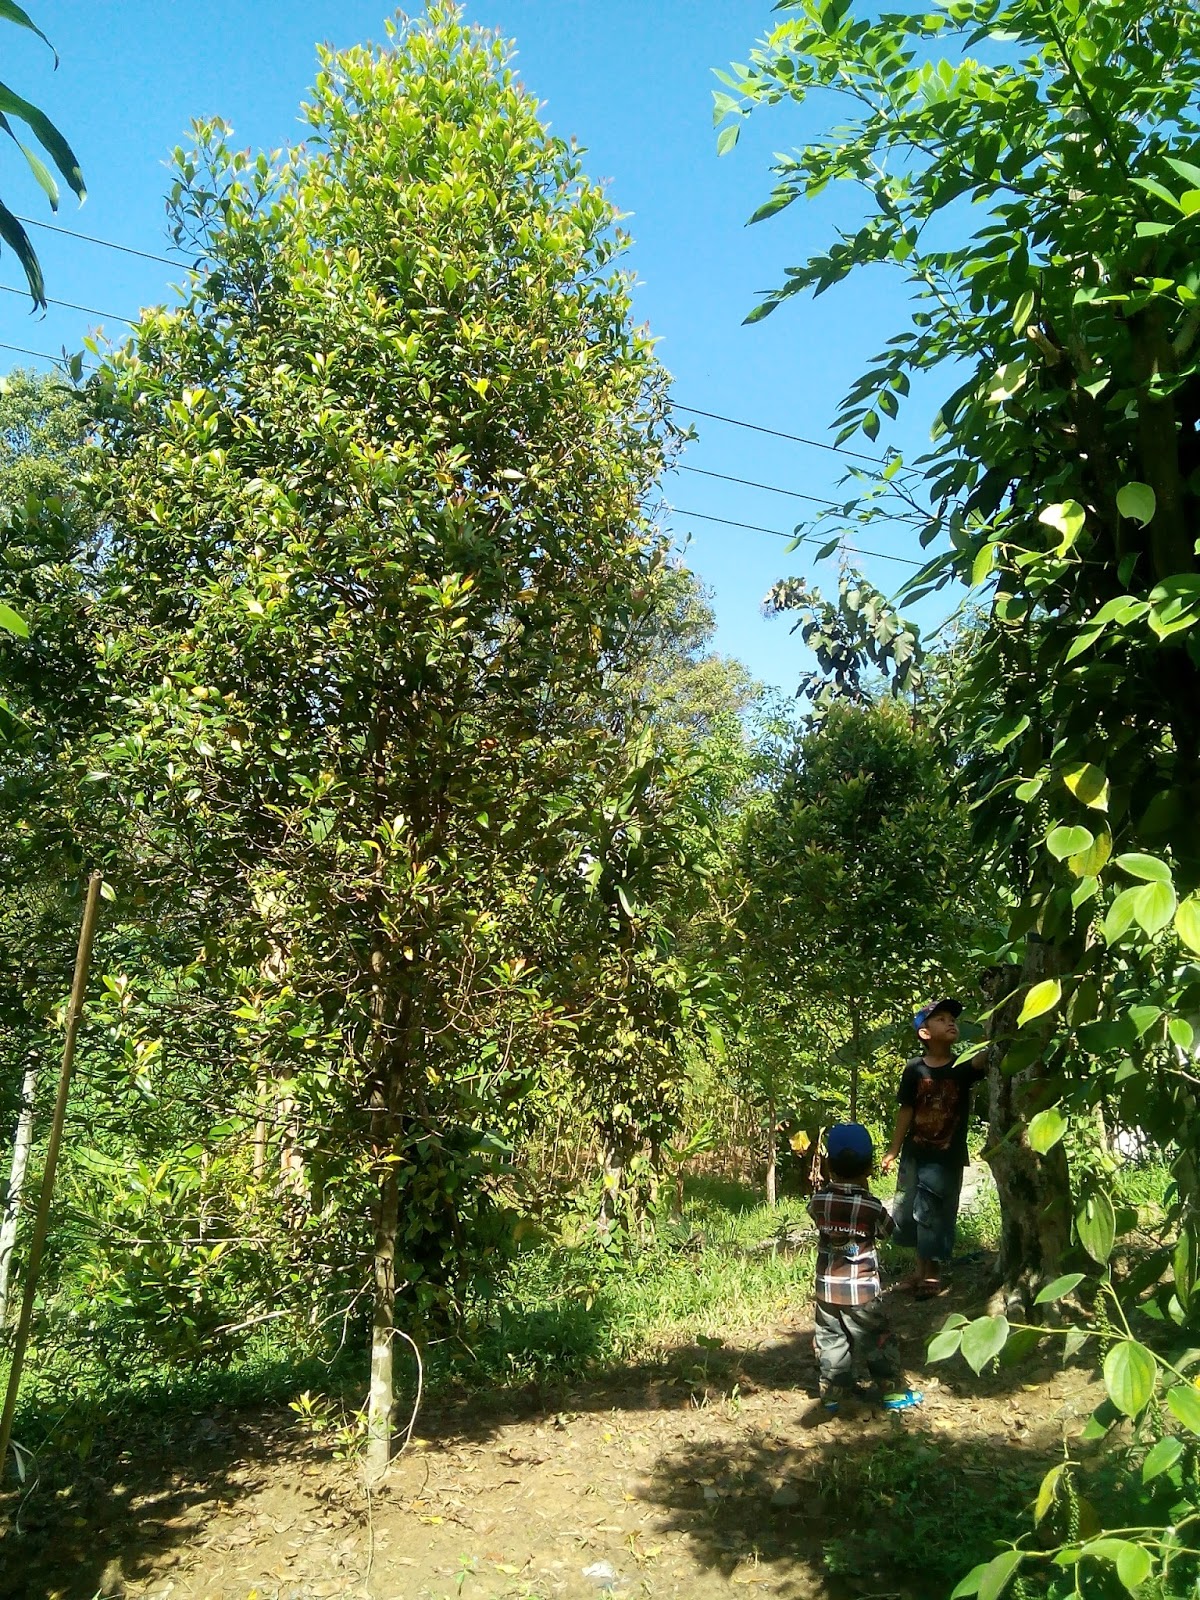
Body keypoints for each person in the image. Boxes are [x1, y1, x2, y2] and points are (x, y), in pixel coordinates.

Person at [807, 1122, 922, 1414]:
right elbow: (887, 1231)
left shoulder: (819, 1201)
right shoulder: (870, 1205)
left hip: (827, 1289)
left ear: (829, 1166)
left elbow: (817, 1220)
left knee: (831, 1339)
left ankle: (833, 1394)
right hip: (862, 1291)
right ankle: (892, 1392)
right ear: (869, 1168)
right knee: (877, 1339)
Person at [880, 998, 988, 1300]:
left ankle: (932, 1274)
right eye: (940, 1019)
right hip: (915, 1154)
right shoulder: (914, 1069)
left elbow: (985, 1060)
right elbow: (906, 1110)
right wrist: (893, 1149)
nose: (950, 1022)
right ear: (924, 1033)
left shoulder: (963, 1064)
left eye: (952, 1019)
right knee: (911, 1210)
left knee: (936, 1213)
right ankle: (919, 1269)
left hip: (946, 1158)